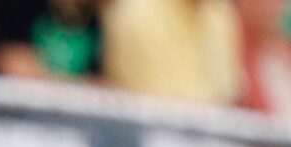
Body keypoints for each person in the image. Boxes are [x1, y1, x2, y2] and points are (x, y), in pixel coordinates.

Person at [98, 0, 237, 102]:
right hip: (151, 134)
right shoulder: (137, 14)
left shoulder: (218, 11)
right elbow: (162, 111)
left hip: (209, 133)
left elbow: (228, 92)